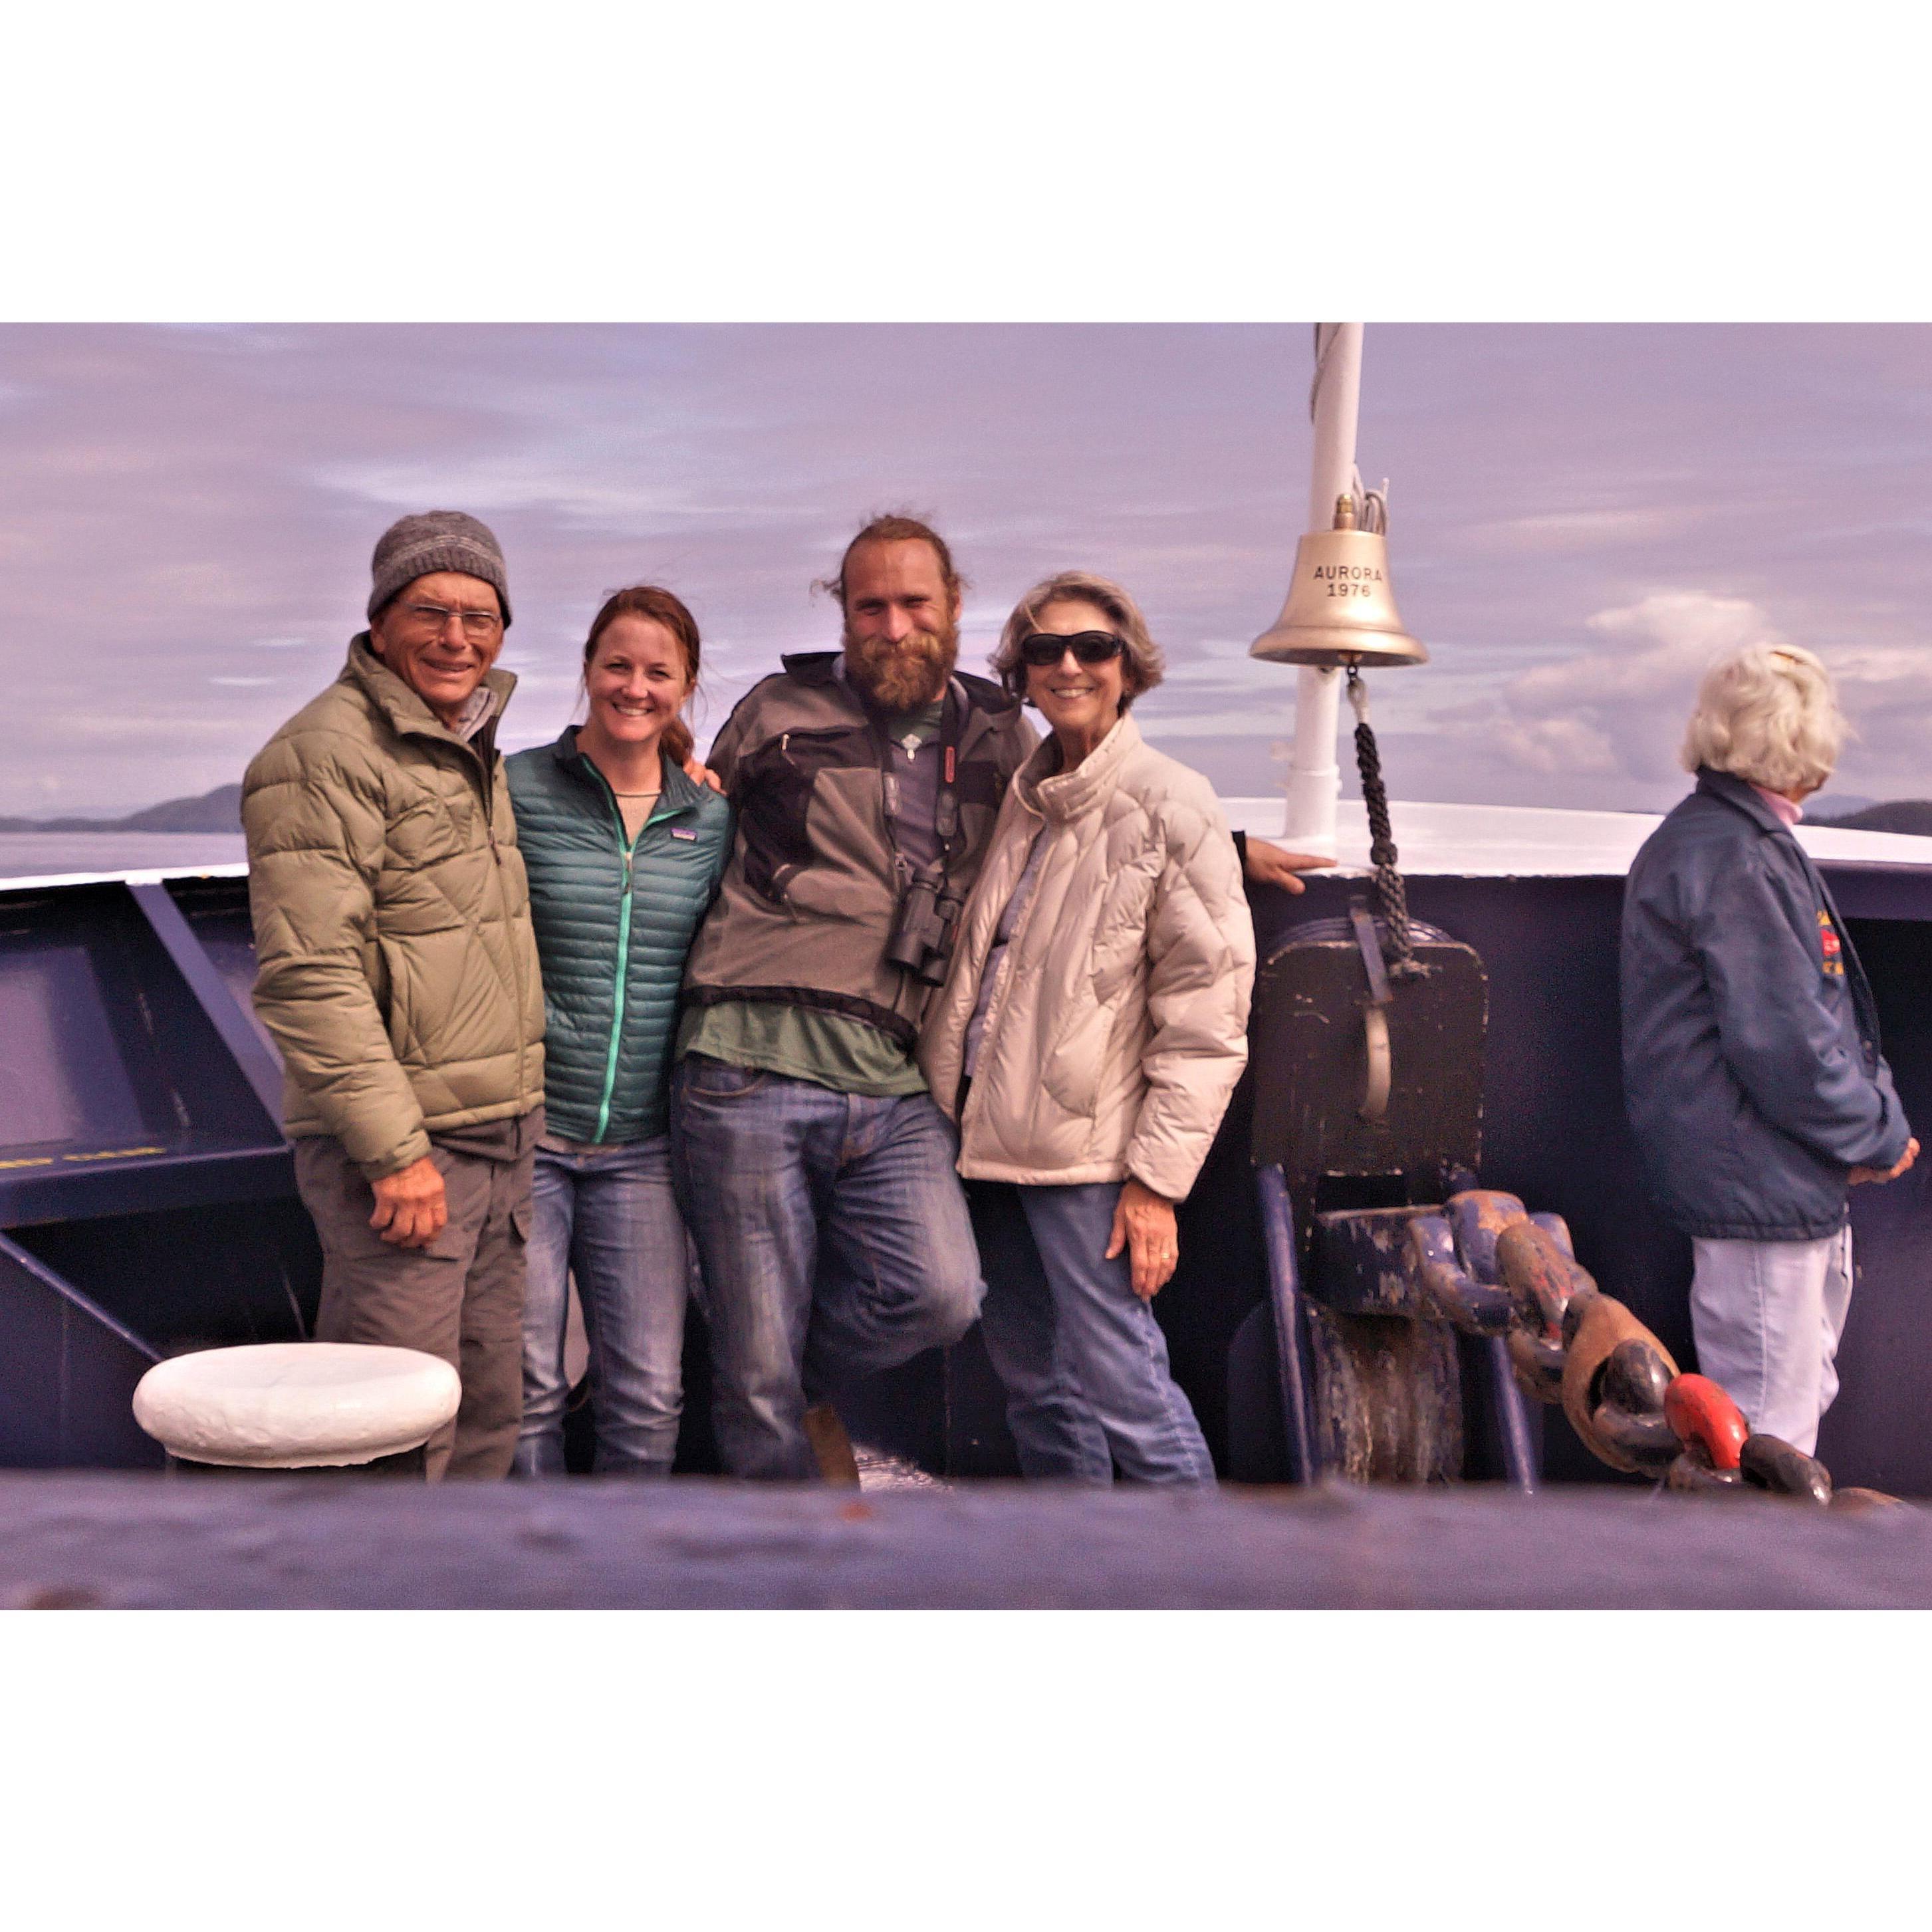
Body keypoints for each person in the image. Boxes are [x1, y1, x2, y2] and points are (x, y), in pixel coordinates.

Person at [668, 516, 1035, 1479]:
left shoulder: (1000, 729)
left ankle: (784, 1377)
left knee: (939, 1292)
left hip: (897, 1078)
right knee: (752, 1371)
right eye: (869, 605)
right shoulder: (775, 705)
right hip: (743, 1069)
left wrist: (1231, 850)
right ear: (843, 614)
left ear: (953, 604)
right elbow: (680, 824)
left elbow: (1084, 832)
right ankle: (794, 1581)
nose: (893, 624)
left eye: (915, 602)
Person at [920, 571, 1256, 1483]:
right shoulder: (1027, 803)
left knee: (1127, 1389)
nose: (1067, 665)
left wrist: (1153, 1183)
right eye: (1043, 650)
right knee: (1036, 1384)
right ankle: (1077, 1580)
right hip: (988, 1147)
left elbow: (1206, 1018)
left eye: (1092, 647)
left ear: (1128, 667)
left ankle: (1202, 1596)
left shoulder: (1170, 801)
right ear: (1020, 674)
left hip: (1088, 1161)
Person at [242, 511, 546, 1479]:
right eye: (432, 611)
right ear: (380, 621)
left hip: (499, 1137)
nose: (459, 637)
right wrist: (395, 1153)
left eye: (481, 615)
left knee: (489, 1408)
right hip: (411, 1160)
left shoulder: (465, 743)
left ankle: (458, 1608)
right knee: (392, 1434)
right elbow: (309, 976)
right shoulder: (323, 755)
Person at [1622, 644, 1917, 1457]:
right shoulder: (1738, 854)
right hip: (1757, 1184)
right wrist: (1877, 1135)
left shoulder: (1721, 842)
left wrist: (1855, 1130)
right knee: (1762, 1432)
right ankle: (1732, 1584)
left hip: (1765, 1177)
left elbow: (1801, 1024)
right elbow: (1787, 1042)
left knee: (1781, 1401)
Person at [505, 588, 732, 1476]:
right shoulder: (516, 785)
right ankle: (534, 1586)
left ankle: (622, 1592)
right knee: (525, 1391)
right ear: (588, 671)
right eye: (617, 666)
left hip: (645, 1147)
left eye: (657, 672)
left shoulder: (707, 819)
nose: (634, 687)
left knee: (646, 1395)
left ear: (685, 687)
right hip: (528, 1130)